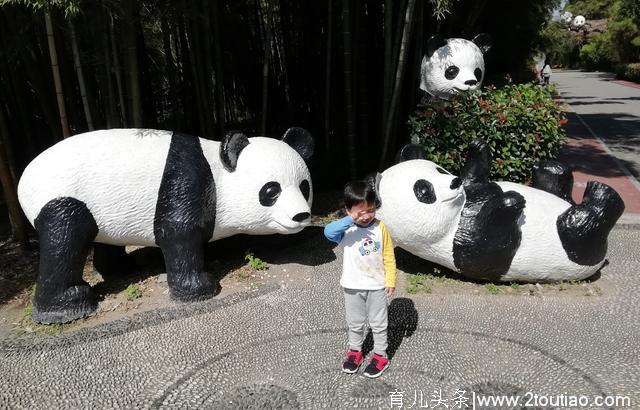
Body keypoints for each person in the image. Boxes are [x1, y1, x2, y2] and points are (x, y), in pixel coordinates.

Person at [324, 180, 397, 378]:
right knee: (355, 322)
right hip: (352, 285)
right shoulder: (346, 230)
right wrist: (350, 220)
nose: (366, 216)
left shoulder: (381, 228)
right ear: (348, 210)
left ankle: (381, 355)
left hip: (377, 285)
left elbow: (389, 256)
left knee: (379, 323)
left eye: (371, 210)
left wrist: (390, 280)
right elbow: (327, 232)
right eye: (360, 212)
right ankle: (355, 351)